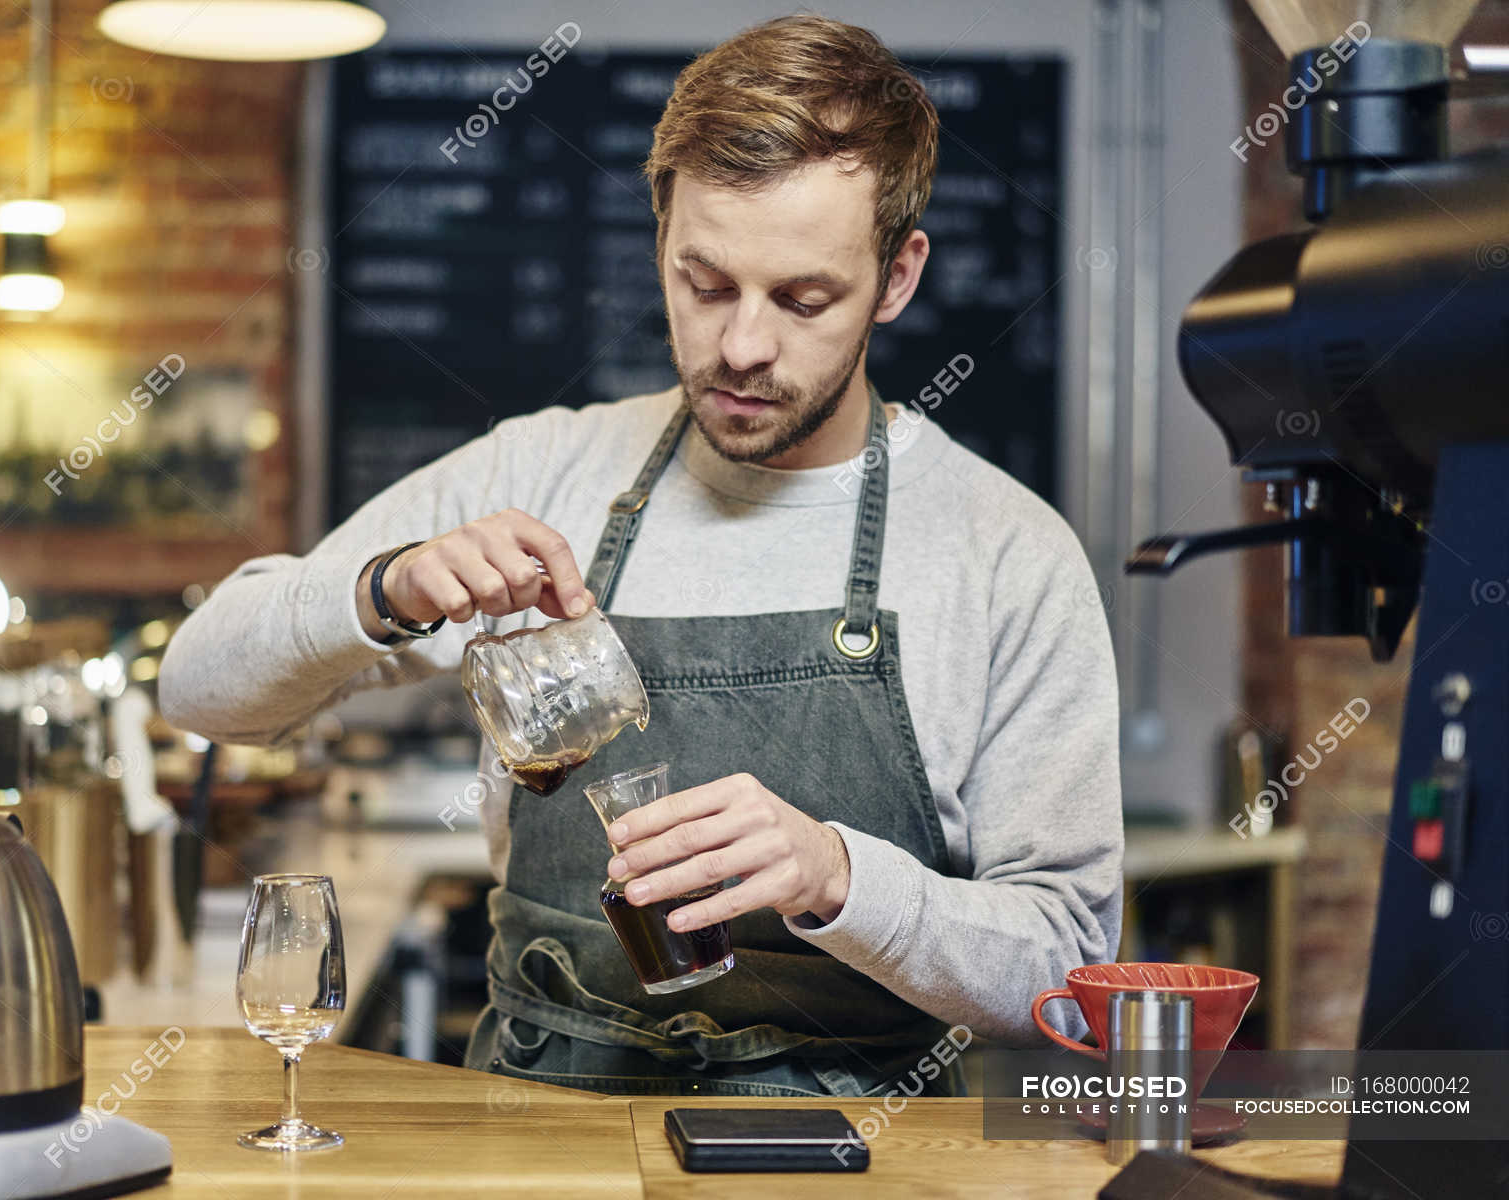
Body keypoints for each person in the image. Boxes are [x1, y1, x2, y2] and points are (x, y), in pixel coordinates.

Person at [160, 14, 1122, 1098]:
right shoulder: (544, 468)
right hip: (539, 1125)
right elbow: (199, 692)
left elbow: (1073, 969)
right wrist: (384, 589)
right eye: (704, 284)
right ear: (661, 238)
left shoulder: (1008, 553)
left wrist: (838, 876)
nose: (742, 346)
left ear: (897, 279)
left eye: (804, 299)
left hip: (860, 1151)